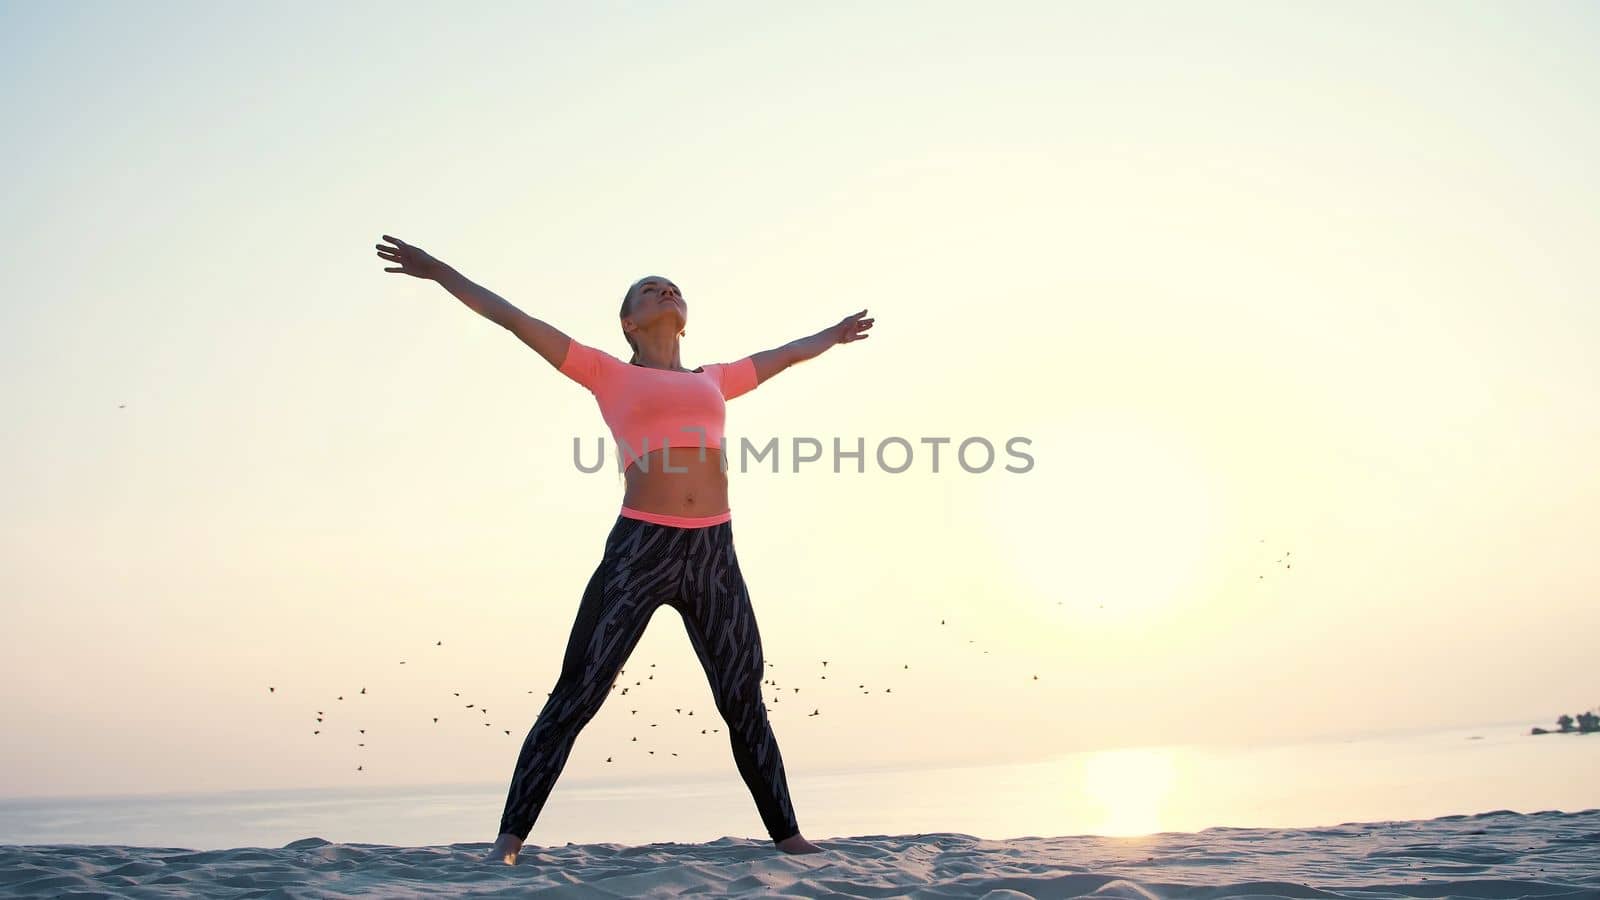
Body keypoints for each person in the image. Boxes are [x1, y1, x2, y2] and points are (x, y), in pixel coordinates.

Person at [374, 235, 873, 865]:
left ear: (685, 316)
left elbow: (782, 356)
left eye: (673, 286)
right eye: (649, 288)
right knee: (578, 693)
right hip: (641, 548)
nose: (665, 290)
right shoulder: (606, 371)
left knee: (742, 696)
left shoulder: (715, 379)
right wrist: (439, 271)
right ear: (628, 321)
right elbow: (512, 318)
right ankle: (507, 842)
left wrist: (832, 334)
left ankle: (790, 836)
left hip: (714, 551)